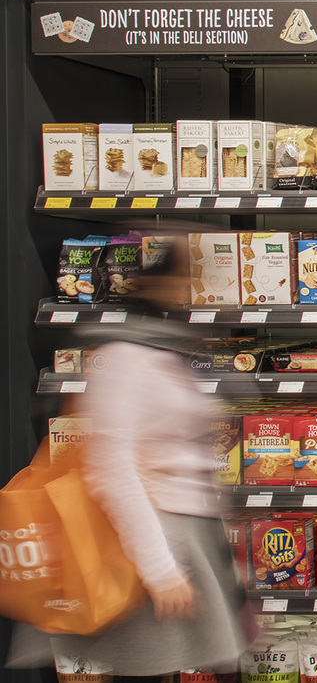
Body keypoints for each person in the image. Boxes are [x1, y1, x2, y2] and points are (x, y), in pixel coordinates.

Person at [10, 230, 245, 679]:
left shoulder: (167, 349)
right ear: (163, 286)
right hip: (145, 547)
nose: (198, 292)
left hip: (189, 542)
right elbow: (112, 470)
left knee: (186, 665)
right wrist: (160, 570)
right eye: (190, 281)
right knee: (149, 669)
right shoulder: (125, 359)